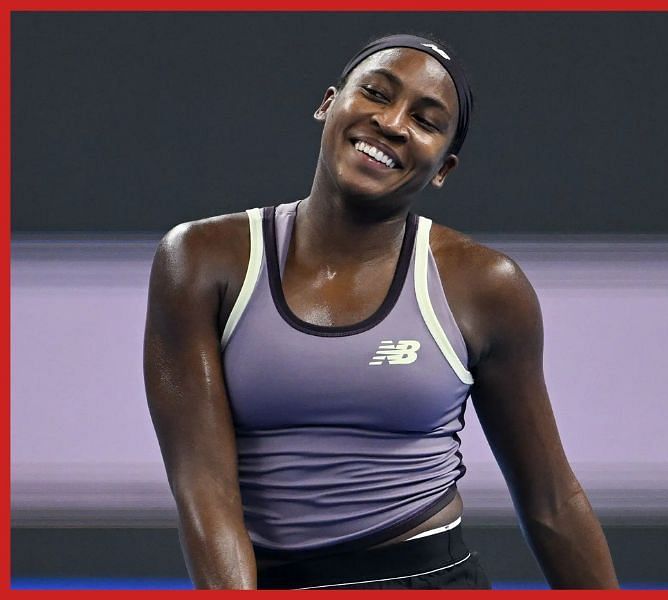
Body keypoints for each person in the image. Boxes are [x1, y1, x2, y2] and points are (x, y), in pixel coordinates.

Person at [144, 33, 619, 590]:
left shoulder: (486, 287)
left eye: (426, 119)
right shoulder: (200, 261)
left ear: (444, 168)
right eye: (375, 93)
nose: (391, 123)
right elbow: (203, 486)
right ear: (328, 104)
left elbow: (551, 502)